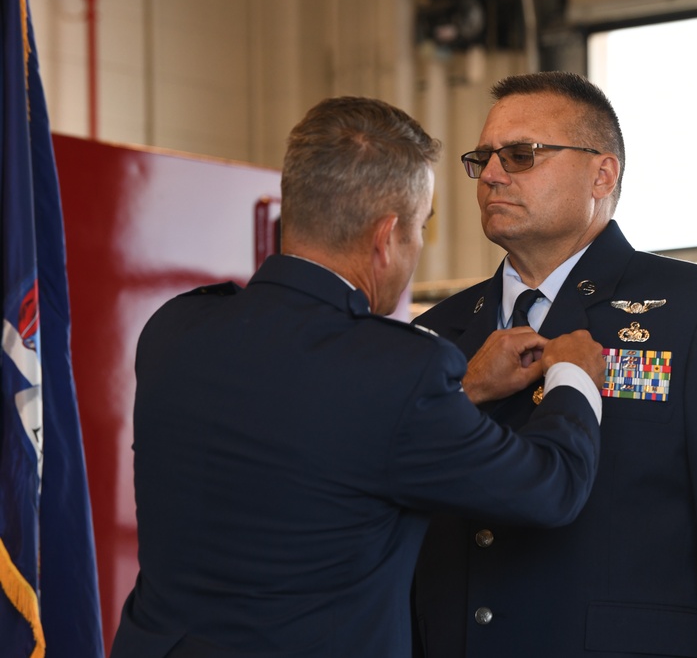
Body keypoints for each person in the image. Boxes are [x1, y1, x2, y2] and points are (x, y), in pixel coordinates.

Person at [109, 96, 608, 658]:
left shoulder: (175, 330)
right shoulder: (400, 370)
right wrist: (573, 374)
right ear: (386, 237)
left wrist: (464, 389)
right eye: (420, 228)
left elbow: (311, 430)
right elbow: (550, 488)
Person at [411, 72, 697, 657]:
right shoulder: (435, 334)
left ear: (601, 174)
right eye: (483, 159)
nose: (494, 175)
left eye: (522, 155)